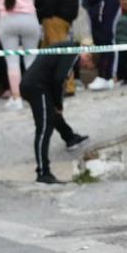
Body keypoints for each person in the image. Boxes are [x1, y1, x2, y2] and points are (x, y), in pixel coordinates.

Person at [20, 43, 92, 184]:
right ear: (87, 55)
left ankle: (69, 137)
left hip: (37, 84)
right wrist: (58, 103)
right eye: (87, 65)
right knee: (44, 128)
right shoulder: (73, 52)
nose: (83, 67)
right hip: (37, 86)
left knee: (52, 115)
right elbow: (59, 78)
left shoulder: (68, 47)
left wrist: (55, 104)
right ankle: (43, 172)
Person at [35, 0, 82, 95]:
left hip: (54, 16)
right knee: (46, 51)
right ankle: (42, 83)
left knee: (60, 52)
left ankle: (68, 86)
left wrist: (43, 11)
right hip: (66, 15)